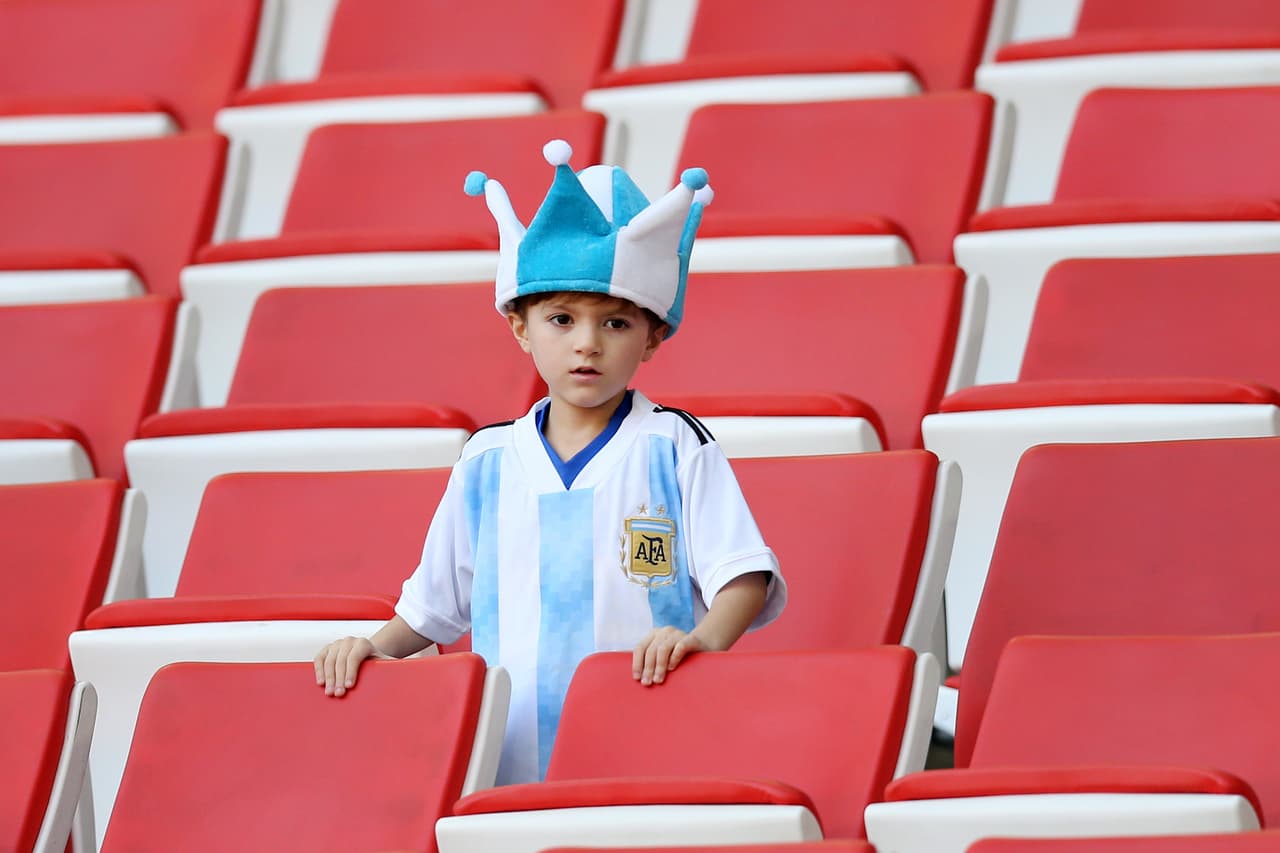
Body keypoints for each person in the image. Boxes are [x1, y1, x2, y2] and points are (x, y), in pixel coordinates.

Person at [313, 139, 786, 784]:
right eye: (561, 319)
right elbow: (433, 608)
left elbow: (743, 578)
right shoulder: (486, 459)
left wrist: (699, 643)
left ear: (653, 337)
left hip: (651, 743)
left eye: (616, 324)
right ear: (519, 327)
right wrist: (370, 647)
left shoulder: (674, 445)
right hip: (508, 757)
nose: (587, 344)